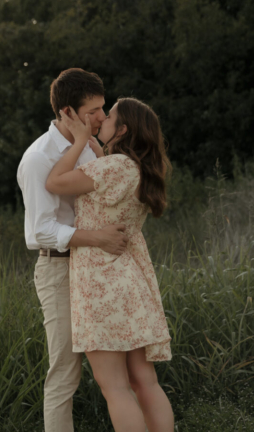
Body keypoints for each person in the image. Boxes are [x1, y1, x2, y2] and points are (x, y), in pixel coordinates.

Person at [46, 98, 174, 432]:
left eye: (110, 116)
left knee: (114, 387)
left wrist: (76, 143)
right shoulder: (136, 168)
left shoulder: (113, 167)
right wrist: (97, 153)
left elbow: (55, 183)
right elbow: (110, 196)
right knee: (145, 382)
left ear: (123, 129)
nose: (101, 120)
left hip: (102, 284)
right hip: (131, 282)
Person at [17, 68, 128, 432]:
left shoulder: (91, 148)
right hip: (59, 269)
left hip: (97, 267)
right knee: (65, 370)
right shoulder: (39, 158)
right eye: (93, 110)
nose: (101, 117)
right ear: (67, 112)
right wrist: (97, 237)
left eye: (103, 108)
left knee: (118, 363)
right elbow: (42, 231)